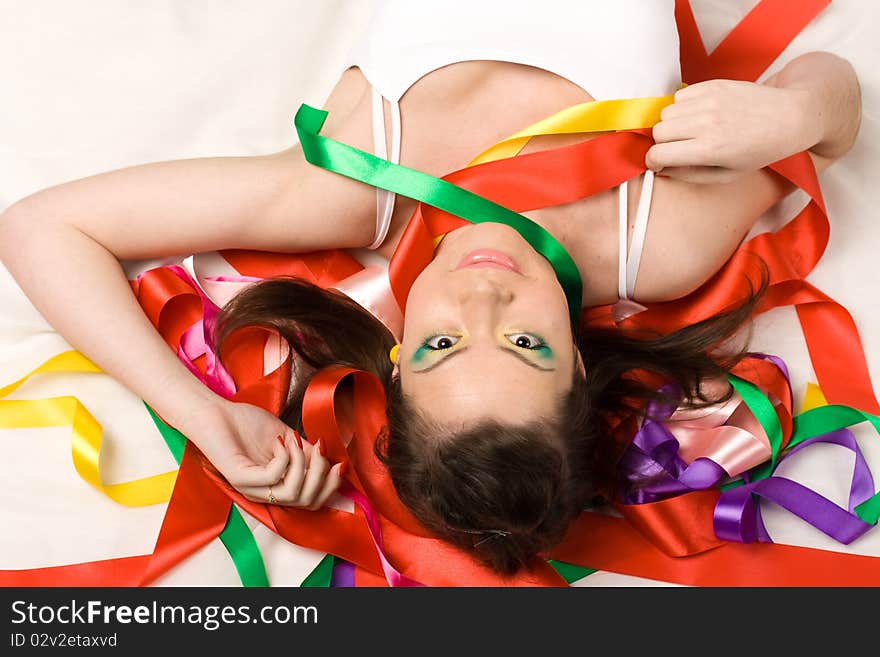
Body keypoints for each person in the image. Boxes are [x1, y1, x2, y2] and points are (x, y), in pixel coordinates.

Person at [0, 0, 861, 575]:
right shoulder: (653, 241)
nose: (485, 298)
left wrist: (200, 413)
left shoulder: (350, 191)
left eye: (444, 343)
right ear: (576, 372)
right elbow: (833, 93)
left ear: (400, 361)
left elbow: (39, 229)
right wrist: (794, 119)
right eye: (528, 345)